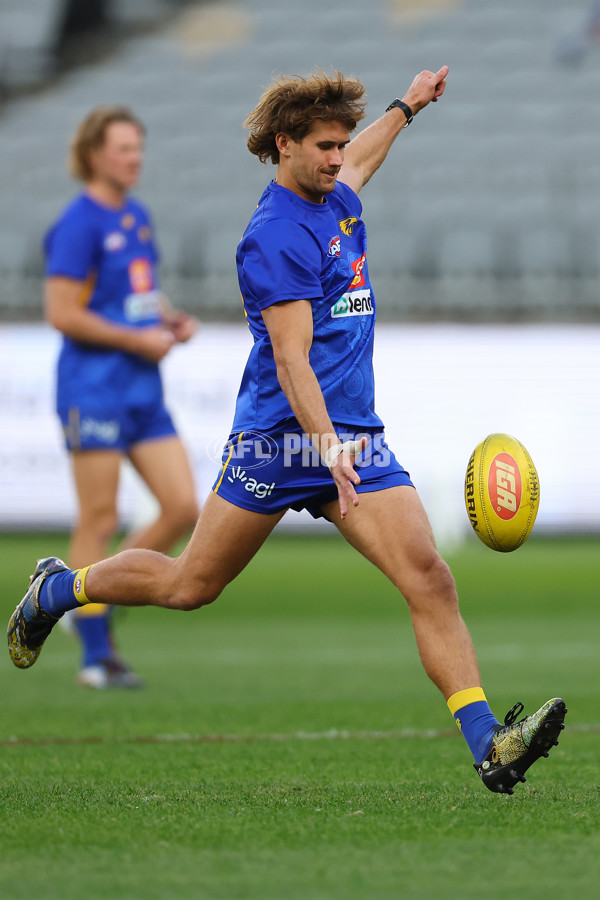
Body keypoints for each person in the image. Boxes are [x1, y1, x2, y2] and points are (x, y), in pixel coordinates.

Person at [8, 69, 566, 791]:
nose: (339, 159)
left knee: (428, 577)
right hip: (279, 444)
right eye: (325, 147)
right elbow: (291, 358)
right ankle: (60, 588)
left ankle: (489, 742)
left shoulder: (336, 191)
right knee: (189, 586)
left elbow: (366, 156)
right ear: (285, 146)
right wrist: (325, 446)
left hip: (354, 438)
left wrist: (408, 106)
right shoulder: (274, 237)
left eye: (340, 146)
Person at [39, 105, 199, 688]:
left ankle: (92, 591)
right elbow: (61, 312)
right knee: (100, 515)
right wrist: (136, 338)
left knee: (184, 506)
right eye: (123, 148)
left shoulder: (136, 216)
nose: (134, 158)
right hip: (94, 387)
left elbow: (139, 295)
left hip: (140, 387)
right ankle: (95, 653)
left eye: (138, 148)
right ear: (92, 155)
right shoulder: (78, 224)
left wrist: (171, 320)